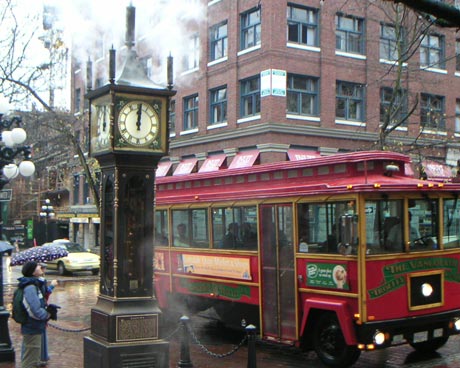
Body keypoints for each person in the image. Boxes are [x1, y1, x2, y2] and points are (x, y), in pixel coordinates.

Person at [18, 261, 51, 368]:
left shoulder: (34, 284)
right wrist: (46, 315)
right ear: (32, 272)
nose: (40, 267)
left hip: (35, 326)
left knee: (34, 355)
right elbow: (35, 309)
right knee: (30, 359)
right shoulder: (30, 287)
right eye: (37, 266)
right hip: (32, 326)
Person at [38, 264, 58, 366]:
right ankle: (42, 357)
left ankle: (43, 356)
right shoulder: (39, 282)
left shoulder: (41, 280)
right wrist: (52, 286)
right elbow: (45, 294)